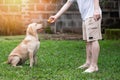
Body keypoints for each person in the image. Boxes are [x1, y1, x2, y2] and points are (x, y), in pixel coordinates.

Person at [48, 0, 102, 73]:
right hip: (85, 17)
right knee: (88, 41)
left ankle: (94, 66)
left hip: (92, 15)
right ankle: (88, 63)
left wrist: (96, 10)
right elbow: (68, 3)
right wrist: (56, 16)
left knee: (93, 40)